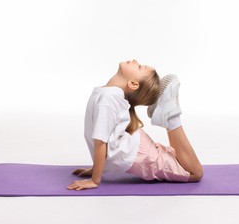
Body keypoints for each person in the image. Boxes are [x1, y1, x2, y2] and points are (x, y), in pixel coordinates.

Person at [67, 59, 203, 191]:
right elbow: (106, 139)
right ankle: (166, 111)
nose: (135, 60)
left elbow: (101, 142)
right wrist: (96, 169)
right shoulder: (108, 95)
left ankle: (171, 116)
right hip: (138, 149)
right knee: (178, 159)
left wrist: (95, 180)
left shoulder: (108, 98)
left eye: (139, 67)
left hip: (140, 154)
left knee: (195, 173)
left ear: (133, 84)